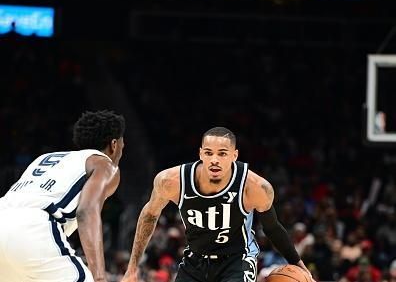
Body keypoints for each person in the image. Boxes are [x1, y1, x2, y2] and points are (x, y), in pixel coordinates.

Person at [122, 126, 313, 282]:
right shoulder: (171, 181)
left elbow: (272, 228)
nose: (214, 160)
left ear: (234, 155)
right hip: (195, 259)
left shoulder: (255, 187)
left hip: (237, 260)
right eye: (209, 153)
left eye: (222, 153)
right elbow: (150, 215)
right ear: (200, 154)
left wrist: (300, 265)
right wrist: (132, 267)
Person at [0, 110, 125, 282]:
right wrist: (100, 277)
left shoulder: (44, 158)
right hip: (33, 227)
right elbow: (86, 212)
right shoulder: (104, 164)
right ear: (114, 145)